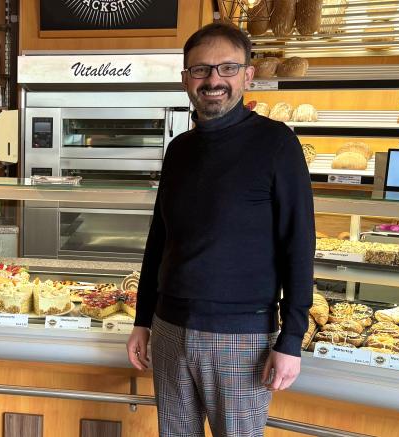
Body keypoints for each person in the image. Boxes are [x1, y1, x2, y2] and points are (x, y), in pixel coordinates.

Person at [126, 23, 316, 437]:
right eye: (201, 70)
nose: (214, 80)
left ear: (248, 76)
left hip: (241, 336)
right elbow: (159, 241)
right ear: (185, 80)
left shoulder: (277, 144)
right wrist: (143, 319)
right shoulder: (180, 149)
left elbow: (298, 247)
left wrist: (291, 338)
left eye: (227, 68)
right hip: (169, 328)